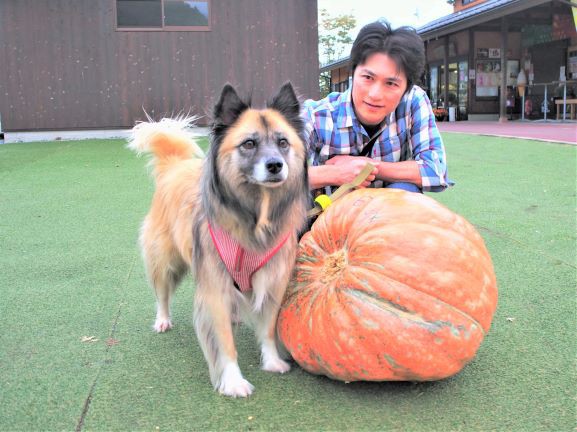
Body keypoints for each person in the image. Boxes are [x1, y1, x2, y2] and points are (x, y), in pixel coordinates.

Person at [302, 20, 452, 197]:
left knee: (406, 190)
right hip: (330, 217)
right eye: (367, 77)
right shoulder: (316, 115)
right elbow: (269, 179)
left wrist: (366, 167)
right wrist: (335, 173)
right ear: (353, 72)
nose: (375, 94)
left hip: (389, 217)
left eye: (390, 83)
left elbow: (436, 170)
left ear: (406, 88)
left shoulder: (413, 101)